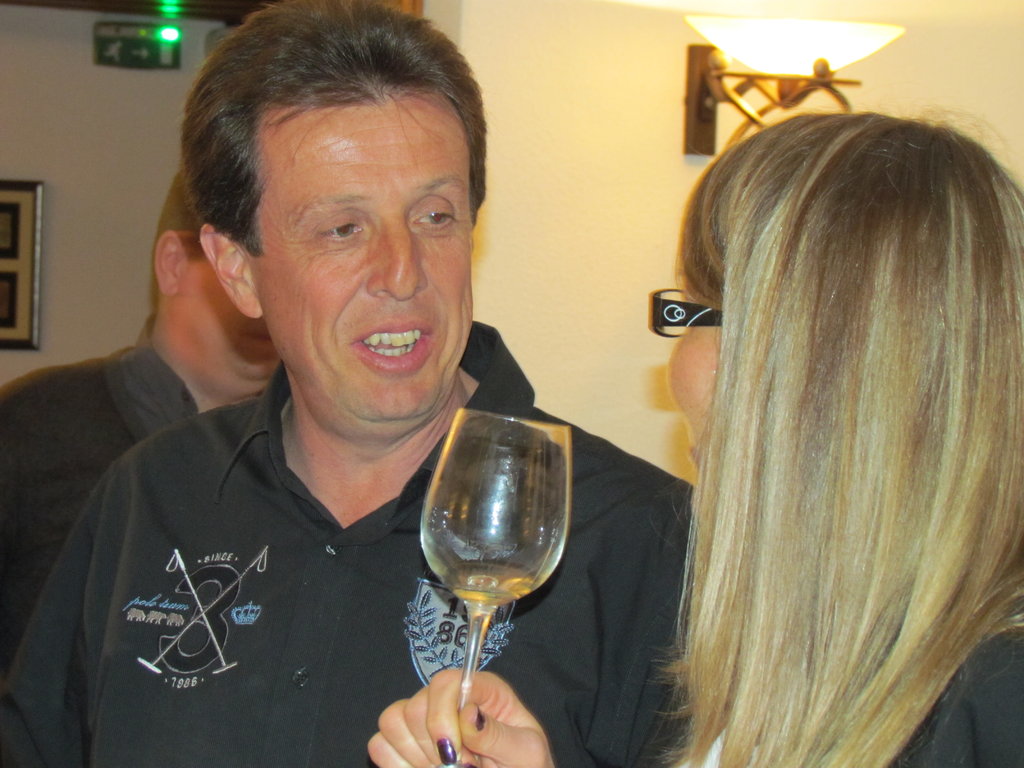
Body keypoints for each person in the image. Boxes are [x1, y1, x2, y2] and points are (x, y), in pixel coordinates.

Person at [0, 1, 689, 766]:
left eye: (434, 216)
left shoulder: (645, 541)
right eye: (343, 229)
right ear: (237, 270)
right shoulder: (151, 497)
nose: (403, 273)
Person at [369, 112, 1024, 768]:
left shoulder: (992, 702)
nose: (676, 367)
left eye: (694, 312)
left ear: (826, 359)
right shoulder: (823, 663)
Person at [0, 172, 278, 685]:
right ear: (173, 264)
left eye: (280, 267)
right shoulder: (30, 425)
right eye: (235, 261)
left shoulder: (318, 459)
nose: (259, 292)